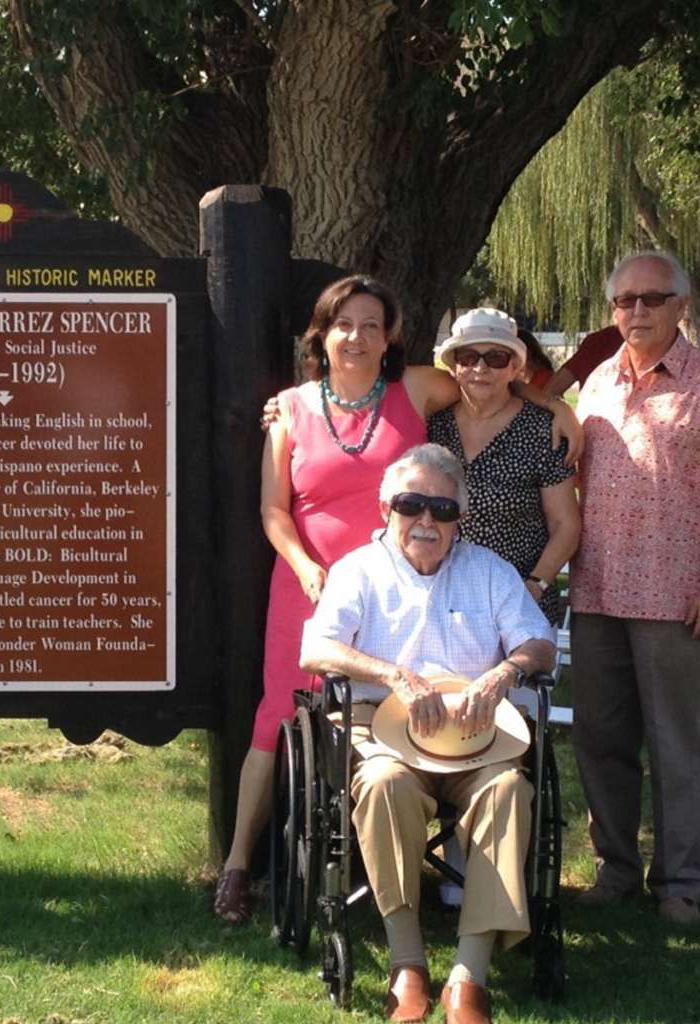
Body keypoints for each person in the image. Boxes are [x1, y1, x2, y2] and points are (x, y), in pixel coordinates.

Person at [216, 278, 580, 924]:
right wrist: (304, 566)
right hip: (316, 584)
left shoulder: (413, 389)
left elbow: (488, 377)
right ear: (321, 335)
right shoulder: (293, 409)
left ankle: (398, 859)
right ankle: (239, 865)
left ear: (388, 338)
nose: (356, 336)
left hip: (411, 581)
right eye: (342, 324)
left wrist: (556, 406)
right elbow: (274, 508)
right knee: (278, 715)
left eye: (370, 324)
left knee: (395, 707)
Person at [301, 443, 555, 1024]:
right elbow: (316, 649)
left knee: (510, 792)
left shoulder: (490, 571)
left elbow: (537, 643)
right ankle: (407, 962)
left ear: (460, 520)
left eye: (442, 510)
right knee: (386, 782)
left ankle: (469, 977)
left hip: (475, 736)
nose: (426, 520)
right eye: (412, 504)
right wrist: (394, 675)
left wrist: (503, 672)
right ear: (386, 506)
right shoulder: (356, 572)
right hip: (384, 730)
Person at [569, 251, 700, 926]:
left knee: (679, 742)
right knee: (601, 736)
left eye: (653, 299)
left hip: (676, 595)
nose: (639, 312)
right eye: (626, 301)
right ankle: (615, 869)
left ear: (682, 305)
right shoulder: (594, 383)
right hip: (595, 591)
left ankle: (683, 881)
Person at [430, 309, 580, 626]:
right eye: (468, 357)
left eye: (496, 358)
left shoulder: (543, 431)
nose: (480, 368)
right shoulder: (433, 426)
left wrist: (534, 587)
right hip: (443, 600)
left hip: (519, 603)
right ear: (454, 366)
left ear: (514, 367)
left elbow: (566, 525)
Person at [542, 324, 623, 397]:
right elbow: (550, 392)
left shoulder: (597, 342)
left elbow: (550, 391)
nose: (635, 312)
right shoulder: (598, 343)